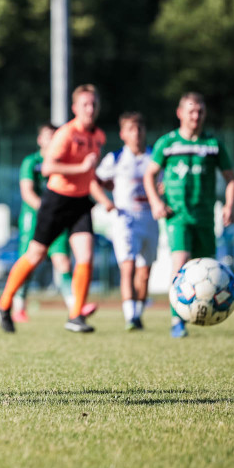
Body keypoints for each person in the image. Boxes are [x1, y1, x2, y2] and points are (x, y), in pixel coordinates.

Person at [0, 84, 113, 334]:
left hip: (80, 202)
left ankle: (76, 315)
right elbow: (48, 168)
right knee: (35, 256)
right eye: (85, 104)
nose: (90, 109)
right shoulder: (67, 134)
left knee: (86, 255)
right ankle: (4, 304)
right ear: (75, 108)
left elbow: (88, 172)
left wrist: (100, 181)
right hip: (56, 201)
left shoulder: (98, 136)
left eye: (94, 104)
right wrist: (81, 169)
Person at [144, 92, 234, 339]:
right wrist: (155, 202)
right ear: (180, 113)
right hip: (177, 215)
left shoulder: (213, 144)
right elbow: (149, 175)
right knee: (180, 263)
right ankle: (177, 320)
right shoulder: (168, 143)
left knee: (207, 270)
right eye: (191, 110)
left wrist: (229, 205)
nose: (195, 116)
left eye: (200, 111)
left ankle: (202, 313)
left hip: (205, 217)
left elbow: (230, 178)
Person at [12, 123, 95, 323]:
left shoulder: (63, 161)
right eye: (48, 136)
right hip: (35, 219)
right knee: (30, 261)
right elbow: (27, 192)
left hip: (57, 217)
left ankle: (75, 307)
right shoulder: (32, 162)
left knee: (63, 261)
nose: (51, 139)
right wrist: (46, 210)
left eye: (55, 135)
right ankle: (17, 306)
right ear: (40, 140)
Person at [95, 112, 158, 330]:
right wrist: (106, 202)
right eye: (131, 129)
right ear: (123, 134)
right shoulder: (117, 157)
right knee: (128, 267)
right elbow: (95, 181)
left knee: (144, 272)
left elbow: (165, 180)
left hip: (150, 218)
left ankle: (138, 314)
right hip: (126, 219)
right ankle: (130, 316)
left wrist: (163, 192)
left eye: (140, 128)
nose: (137, 133)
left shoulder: (154, 156)